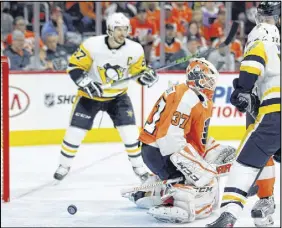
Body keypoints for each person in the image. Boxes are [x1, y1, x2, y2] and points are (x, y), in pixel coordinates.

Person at [126, 58, 236, 223]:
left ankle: (149, 192)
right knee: (205, 182)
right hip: (159, 152)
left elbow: (193, 136)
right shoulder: (187, 97)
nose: (210, 84)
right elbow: (168, 138)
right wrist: (198, 167)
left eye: (212, 80)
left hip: (159, 149)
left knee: (203, 176)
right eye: (207, 79)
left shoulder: (194, 96)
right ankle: (181, 206)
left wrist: (213, 149)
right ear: (195, 77)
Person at [53, 12, 158, 183]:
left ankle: (139, 167)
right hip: (89, 97)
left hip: (118, 97)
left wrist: (145, 77)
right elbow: (74, 67)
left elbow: (137, 74)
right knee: (75, 133)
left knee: (131, 133)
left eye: (125, 29)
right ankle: (63, 165)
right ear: (109, 29)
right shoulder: (91, 45)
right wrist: (85, 81)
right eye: (118, 29)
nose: (122, 33)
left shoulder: (135, 49)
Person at [206, 2, 281, 227]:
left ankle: (229, 212)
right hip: (269, 114)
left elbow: (253, 62)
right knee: (266, 154)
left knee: (244, 163)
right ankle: (266, 199)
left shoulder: (260, 41)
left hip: (273, 116)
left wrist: (243, 89)